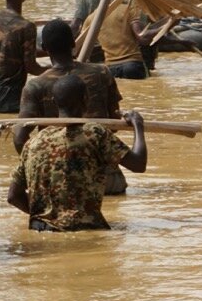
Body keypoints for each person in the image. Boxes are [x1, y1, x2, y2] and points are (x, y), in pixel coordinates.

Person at [7, 74, 147, 233]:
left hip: (40, 230)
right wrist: (138, 126)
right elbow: (138, 164)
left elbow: (13, 196)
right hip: (85, 229)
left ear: (54, 102)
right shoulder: (95, 133)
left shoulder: (33, 142)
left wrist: (46, 218)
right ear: (86, 100)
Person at [16, 18, 128, 194]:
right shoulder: (101, 72)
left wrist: (39, 170)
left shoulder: (35, 86)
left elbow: (19, 138)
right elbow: (115, 121)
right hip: (104, 176)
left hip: (59, 179)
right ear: (73, 43)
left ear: (44, 49)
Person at [99, 0, 152, 80]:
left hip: (110, 68)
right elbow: (142, 38)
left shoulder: (93, 17)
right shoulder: (128, 9)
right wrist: (165, 28)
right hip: (132, 64)